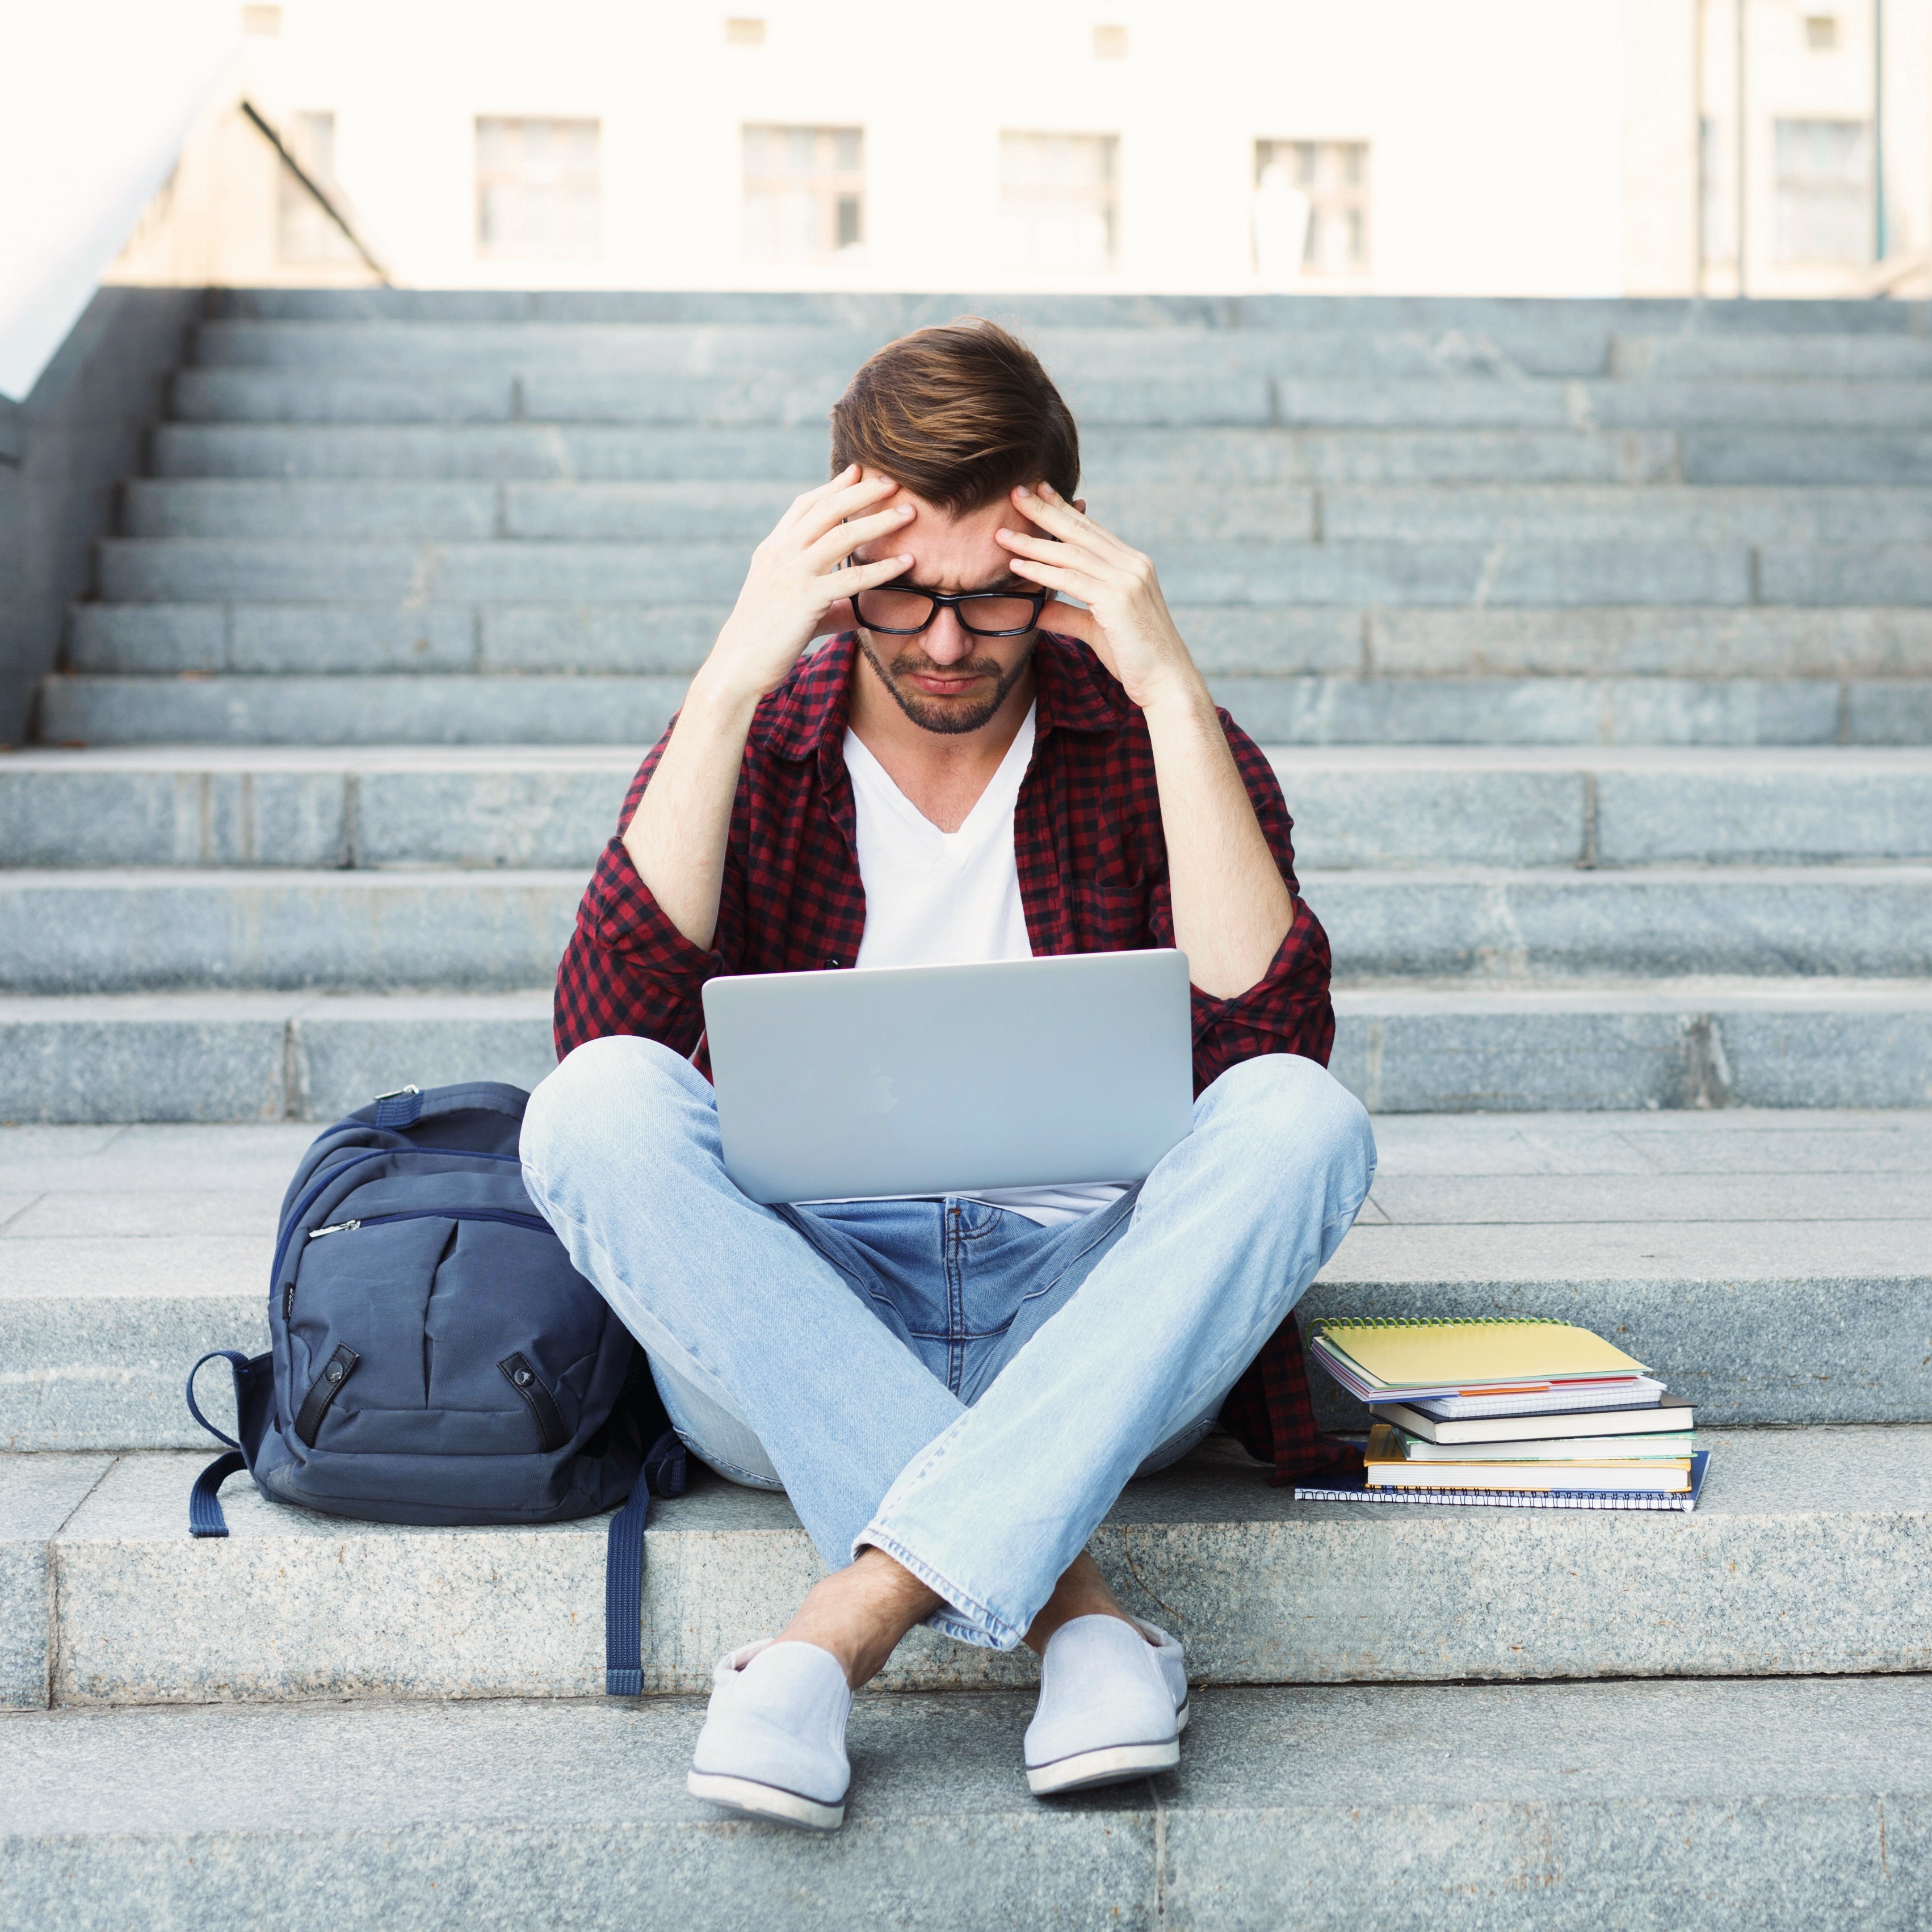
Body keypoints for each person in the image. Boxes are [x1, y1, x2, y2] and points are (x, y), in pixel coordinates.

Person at [521, 318, 1376, 1832]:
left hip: (1088, 1319)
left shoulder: (1148, 741)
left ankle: (834, 1633)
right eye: (900, 593)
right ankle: (1081, 1620)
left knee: (1305, 1123)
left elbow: (1269, 1041)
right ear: (835, 560)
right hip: (804, 1315)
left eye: (991, 599)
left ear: (1064, 562)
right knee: (591, 1109)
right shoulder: (762, 741)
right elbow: (608, 1029)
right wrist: (732, 670)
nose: (941, 641)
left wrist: (1170, 686)